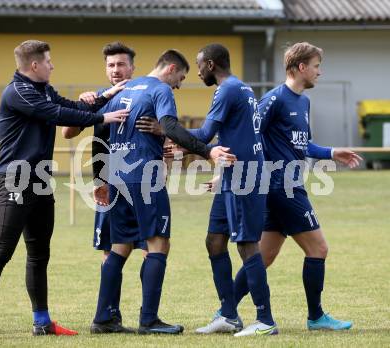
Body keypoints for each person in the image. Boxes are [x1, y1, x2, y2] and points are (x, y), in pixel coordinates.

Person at [0, 39, 127, 341]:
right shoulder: (19, 93)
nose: (53, 66)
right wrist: (103, 117)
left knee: (39, 255)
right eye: (49, 61)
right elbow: (58, 116)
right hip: (14, 179)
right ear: (35, 65)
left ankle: (42, 322)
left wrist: (105, 96)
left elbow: (69, 106)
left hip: (40, 179)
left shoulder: (43, 90)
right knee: (0, 251)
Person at [90, 49, 235, 334]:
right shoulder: (160, 91)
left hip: (117, 177)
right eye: (180, 78)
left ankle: (104, 318)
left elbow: (99, 133)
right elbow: (170, 126)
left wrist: (100, 179)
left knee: (119, 247)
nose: (179, 85)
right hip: (145, 178)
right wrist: (207, 151)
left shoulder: (123, 89)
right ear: (170, 69)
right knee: (159, 244)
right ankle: (149, 320)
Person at [231, 42, 362, 331]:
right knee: (319, 248)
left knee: (263, 256)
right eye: (316, 66)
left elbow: (301, 144)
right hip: (282, 186)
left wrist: (330, 153)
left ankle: (226, 310)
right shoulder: (274, 100)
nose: (320, 72)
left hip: (285, 185)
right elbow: (250, 137)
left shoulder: (303, 101)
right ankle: (316, 317)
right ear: (301, 67)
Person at [175, 43, 278, 336]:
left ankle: (265, 320)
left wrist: (166, 131)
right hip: (232, 174)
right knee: (214, 240)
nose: (196, 72)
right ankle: (229, 316)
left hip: (244, 175)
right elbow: (234, 134)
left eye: (198, 66)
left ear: (210, 64)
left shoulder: (227, 89)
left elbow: (206, 134)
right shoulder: (241, 88)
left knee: (246, 244)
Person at [62, 42, 162, 327]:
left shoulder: (147, 94)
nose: (116, 70)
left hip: (141, 186)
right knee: (112, 250)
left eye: (120, 64)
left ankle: (149, 315)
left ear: (132, 67)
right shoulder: (101, 97)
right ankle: (109, 315)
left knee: (150, 248)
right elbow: (68, 132)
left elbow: (161, 129)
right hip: (108, 187)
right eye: (111, 65)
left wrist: (164, 142)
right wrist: (86, 103)